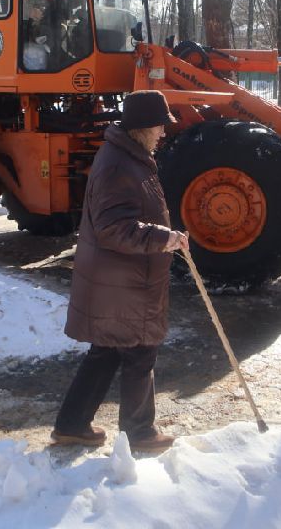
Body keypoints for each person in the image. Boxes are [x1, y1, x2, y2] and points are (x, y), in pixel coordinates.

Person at [52, 90, 188, 452]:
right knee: (141, 349)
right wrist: (164, 238)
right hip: (123, 281)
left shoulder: (130, 156)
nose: (163, 132)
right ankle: (139, 433)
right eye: (159, 126)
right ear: (142, 127)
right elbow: (113, 227)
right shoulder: (118, 165)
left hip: (123, 279)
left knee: (108, 350)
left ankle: (72, 425)